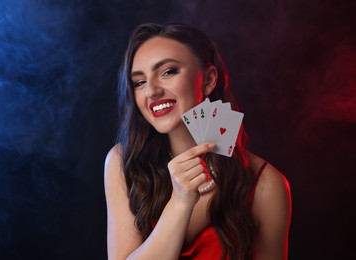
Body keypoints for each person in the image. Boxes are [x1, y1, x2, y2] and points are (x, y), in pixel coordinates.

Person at [104, 22, 292, 260]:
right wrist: (180, 203)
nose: (151, 91)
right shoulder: (122, 162)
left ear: (209, 79)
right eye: (139, 82)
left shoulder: (266, 184)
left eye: (168, 71)